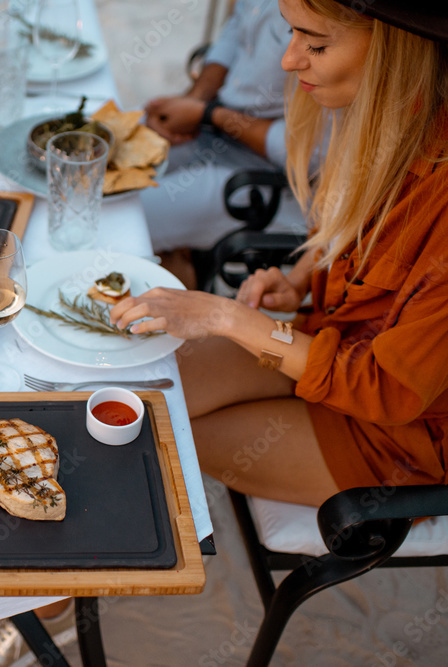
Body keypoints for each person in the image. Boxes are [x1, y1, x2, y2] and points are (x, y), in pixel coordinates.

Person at [110, 0, 448, 507]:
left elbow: (387, 388)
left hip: (394, 433)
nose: (289, 60)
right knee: (129, 391)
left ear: (397, 51)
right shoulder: (388, 118)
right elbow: (349, 228)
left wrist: (225, 316)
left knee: (151, 432)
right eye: (290, 35)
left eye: (314, 43)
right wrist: (302, 276)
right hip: (325, 345)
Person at [139, 0, 304, 287]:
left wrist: (209, 114)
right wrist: (195, 99)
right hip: (217, 129)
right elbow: (236, 30)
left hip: (277, 182)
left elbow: (308, 154)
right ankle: (173, 261)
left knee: (127, 215)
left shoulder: (341, 20)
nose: (290, 59)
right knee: (108, 151)